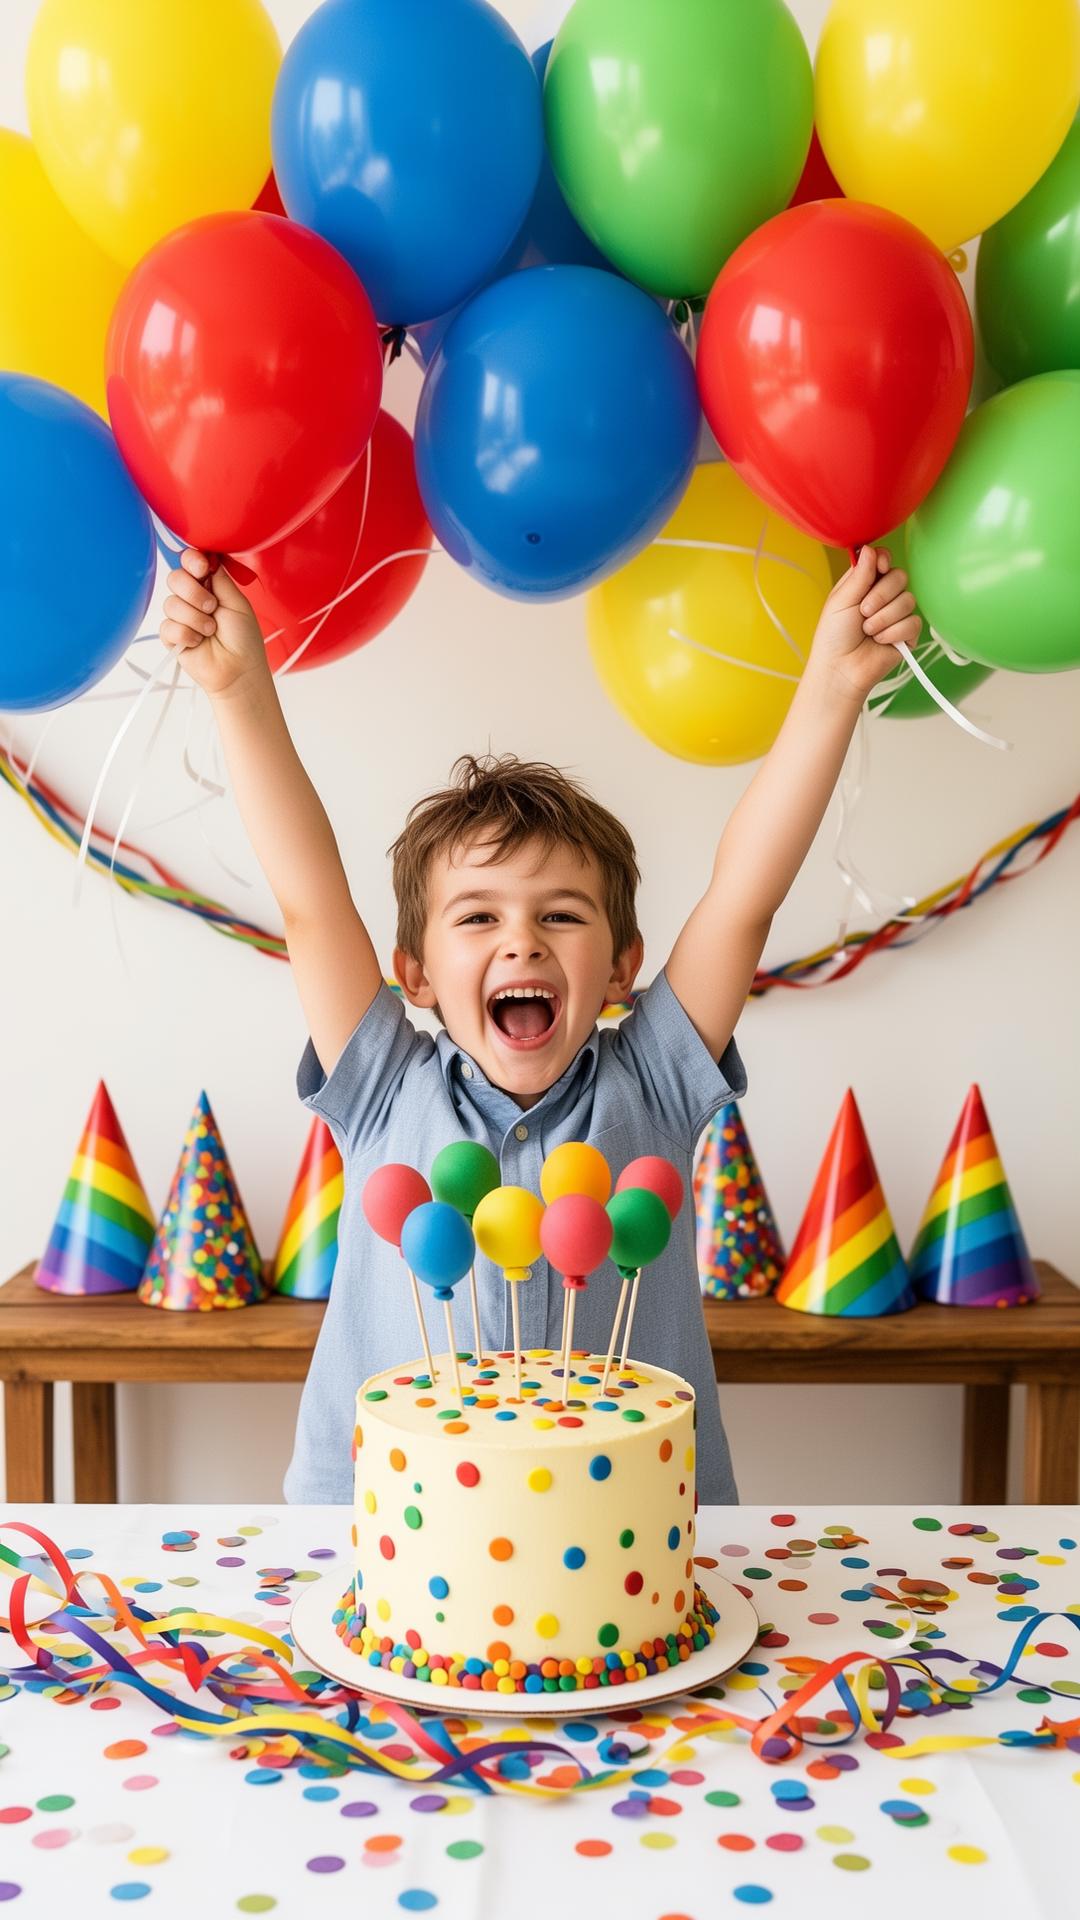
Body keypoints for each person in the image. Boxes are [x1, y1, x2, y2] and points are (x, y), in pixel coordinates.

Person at [162, 541, 919, 1502]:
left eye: (561, 914)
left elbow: (742, 899)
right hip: (384, 1534)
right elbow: (312, 901)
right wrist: (238, 694)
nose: (521, 942)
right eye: (478, 917)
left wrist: (833, 687)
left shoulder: (653, 1082)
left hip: (632, 1535)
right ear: (416, 976)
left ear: (622, 970)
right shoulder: (387, 1085)